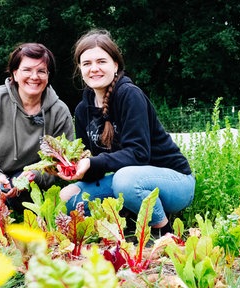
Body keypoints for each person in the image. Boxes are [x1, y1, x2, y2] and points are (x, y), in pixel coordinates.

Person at [56, 29, 195, 235]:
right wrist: (78, 169)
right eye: (87, 64)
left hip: (174, 182)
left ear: (115, 65)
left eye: (101, 61)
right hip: (130, 182)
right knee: (68, 198)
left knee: (125, 180)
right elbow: (96, 165)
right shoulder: (82, 110)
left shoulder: (129, 95)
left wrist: (93, 162)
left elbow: (139, 154)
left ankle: (163, 231)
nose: (94, 69)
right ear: (80, 69)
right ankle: (130, 221)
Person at [0, 43, 74, 229]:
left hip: (31, 186)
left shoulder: (59, 111)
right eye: (27, 70)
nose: (34, 76)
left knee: (46, 229)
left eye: (41, 71)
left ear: (48, 75)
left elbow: (62, 162)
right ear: (15, 73)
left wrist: (35, 176)